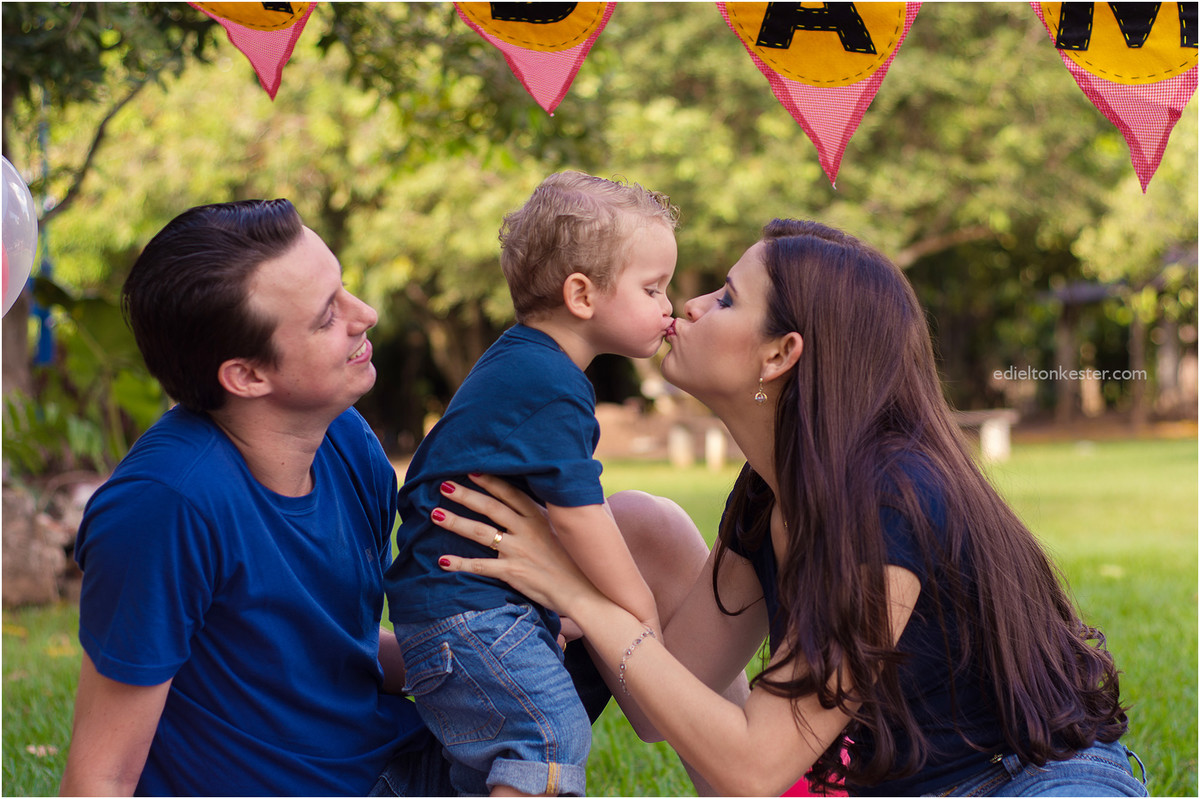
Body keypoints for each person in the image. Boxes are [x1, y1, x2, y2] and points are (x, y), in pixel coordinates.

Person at [428, 218, 1149, 796]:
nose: (690, 304)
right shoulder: (766, 498)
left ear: (780, 355)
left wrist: (574, 587)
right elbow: (658, 708)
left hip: (1032, 780)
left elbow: (750, 768)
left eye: (727, 298)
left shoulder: (888, 496)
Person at [59, 199, 449, 796]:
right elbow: (101, 776)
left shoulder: (345, 437)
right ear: (246, 376)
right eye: (326, 317)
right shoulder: (165, 507)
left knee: (632, 533)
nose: (364, 314)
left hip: (395, 761)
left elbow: (338, 647)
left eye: (344, 289)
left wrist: (492, 641)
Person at [384, 171, 679, 796]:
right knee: (548, 738)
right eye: (652, 288)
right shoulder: (552, 382)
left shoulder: (519, 359)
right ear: (582, 294)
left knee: (482, 759)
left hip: (456, 609)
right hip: (470, 613)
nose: (668, 307)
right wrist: (639, 611)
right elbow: (579, 515)